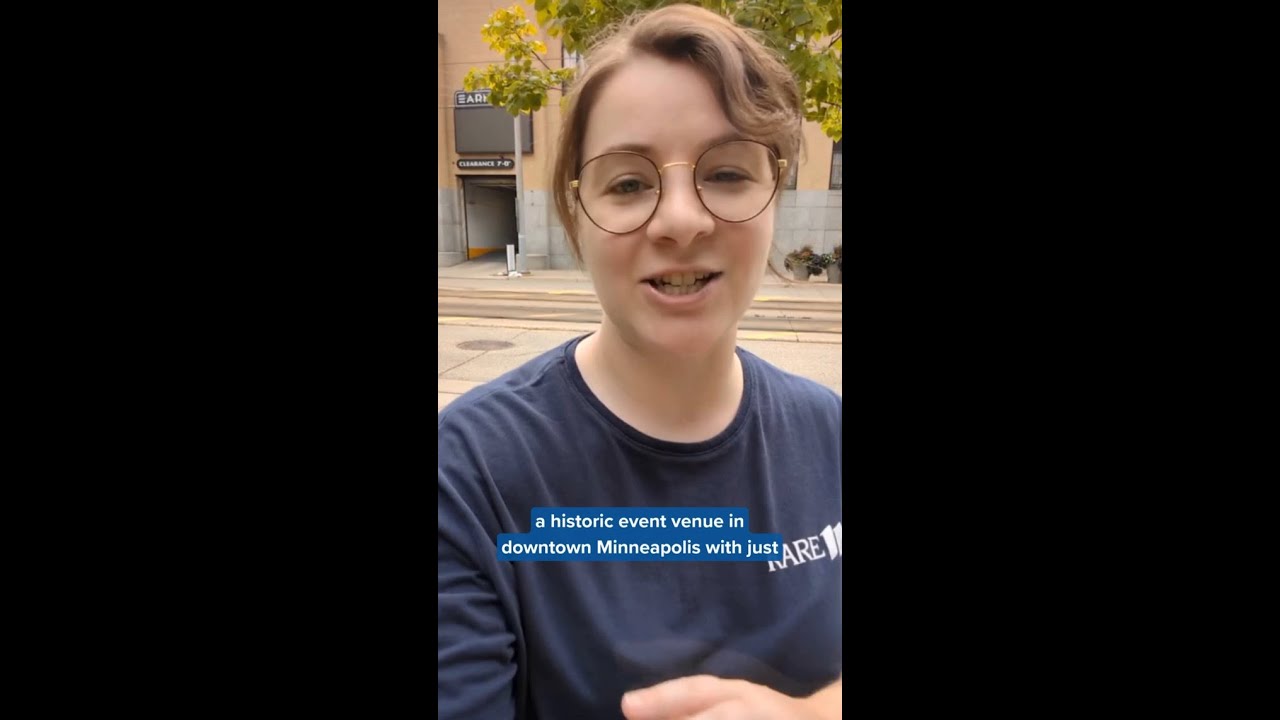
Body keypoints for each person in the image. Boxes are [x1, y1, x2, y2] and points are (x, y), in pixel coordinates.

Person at [438, 4, 842, 719]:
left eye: (725, 173)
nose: (681, 220)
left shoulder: (831, 434)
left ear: (774, 194)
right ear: (576, 216)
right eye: (626, 183)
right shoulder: (467, 474)